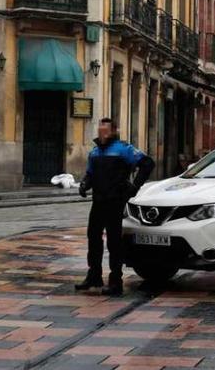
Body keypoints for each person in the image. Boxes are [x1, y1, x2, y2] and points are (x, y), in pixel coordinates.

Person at [77, 118, 154, 296]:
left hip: (115, 201)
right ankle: (94, 275)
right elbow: (90, 173)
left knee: (114, 241)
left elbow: (147, 164)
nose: (102, 132)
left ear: (113, 132)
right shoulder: (95, 152)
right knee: (93, 238)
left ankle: (115, 281)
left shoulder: (123, 149)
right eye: (100, 129)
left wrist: (135, 187)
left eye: (105, 130)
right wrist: (84, 185)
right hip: (98, 201)